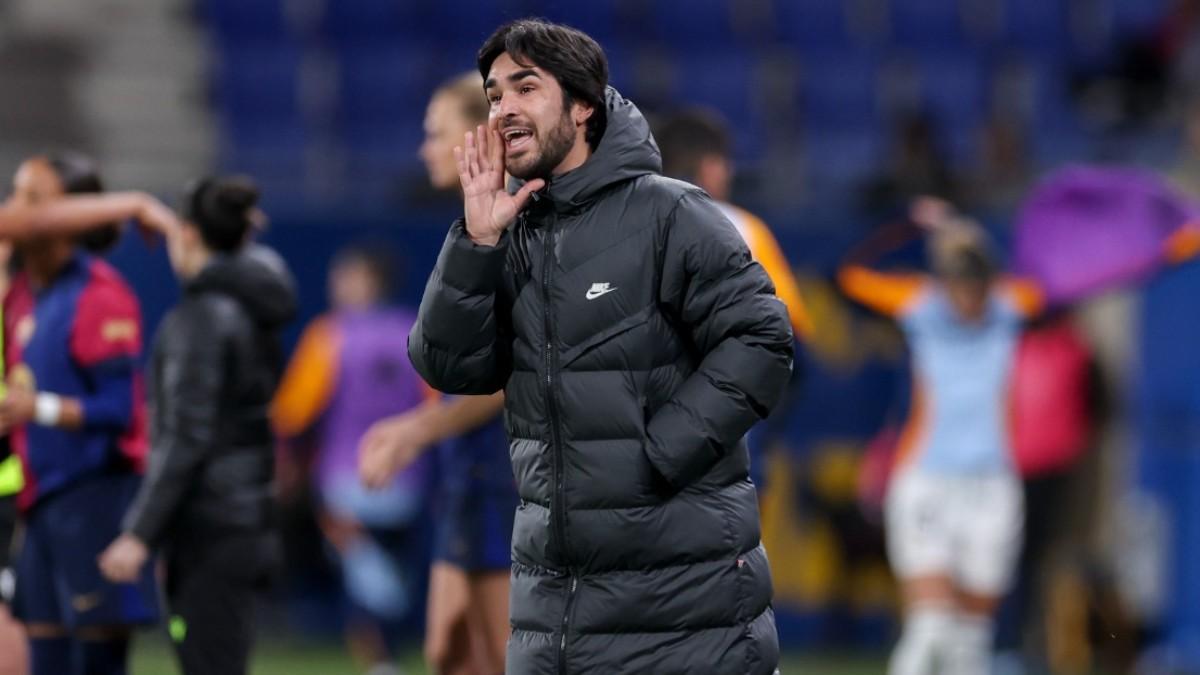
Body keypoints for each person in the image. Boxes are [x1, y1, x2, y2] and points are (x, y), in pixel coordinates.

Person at [407, 19, 793, 674]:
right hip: (551, 609)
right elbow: (450, 364)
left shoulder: (671, 213)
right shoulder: (506, 233)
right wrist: (474, 243)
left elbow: (762, 336)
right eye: (495, 95)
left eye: (525, 89)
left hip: (683, 608)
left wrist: (659, 456)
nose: (503, 110)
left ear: (583, 105)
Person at [99, 176, 296, 675]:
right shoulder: (251, 308)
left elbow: (187, 436)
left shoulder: (200, 321)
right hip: (245, 516)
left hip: (209, 528)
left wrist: (139, 533)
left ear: (185, 233)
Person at [838, 198, 1043, 675]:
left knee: (971, 639)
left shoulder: (1012, 305)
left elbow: (1074, 277)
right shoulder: (918, 304)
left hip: (992, 483)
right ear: (943, 280)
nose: (968, 299)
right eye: (958, 284)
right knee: (930, 626)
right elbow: (849, 274)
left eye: (976, 284)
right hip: (927, 478)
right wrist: (906, 224)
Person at [357, 72, 516, 675]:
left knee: (501, 661)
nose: (425, 148)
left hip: (507, 472)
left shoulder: (515, 228)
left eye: (435, 132)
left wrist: (414, 431)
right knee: (448, 654)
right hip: (469, 469)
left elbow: (515, 377)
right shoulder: (475, 229)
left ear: (478, 136)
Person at [0, 153, 164, 675]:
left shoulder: (99, 294)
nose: (16, 210)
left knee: (96, 661)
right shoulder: (24, 293)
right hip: (40, 498)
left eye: (32, 198)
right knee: (43, 656)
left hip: (94, 494)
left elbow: (120, 409)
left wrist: (37, 408)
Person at [272, 244, 433, 675]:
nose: (336, 285)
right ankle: (391, 658)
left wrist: (286, 463)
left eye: (344, 276)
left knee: (363, 582)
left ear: (366, 281)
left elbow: (292, 414)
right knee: (393, 577)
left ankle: (380, 663)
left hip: (346, 483)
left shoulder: (330, 335)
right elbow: (443, 405)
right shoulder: (415, 330)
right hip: (408, 480)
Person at [655, 108, 812, 494]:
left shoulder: (628, 222)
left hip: (646, 430)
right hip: (729, 432)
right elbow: (792, 339)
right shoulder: (742, 228)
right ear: (710, 167)